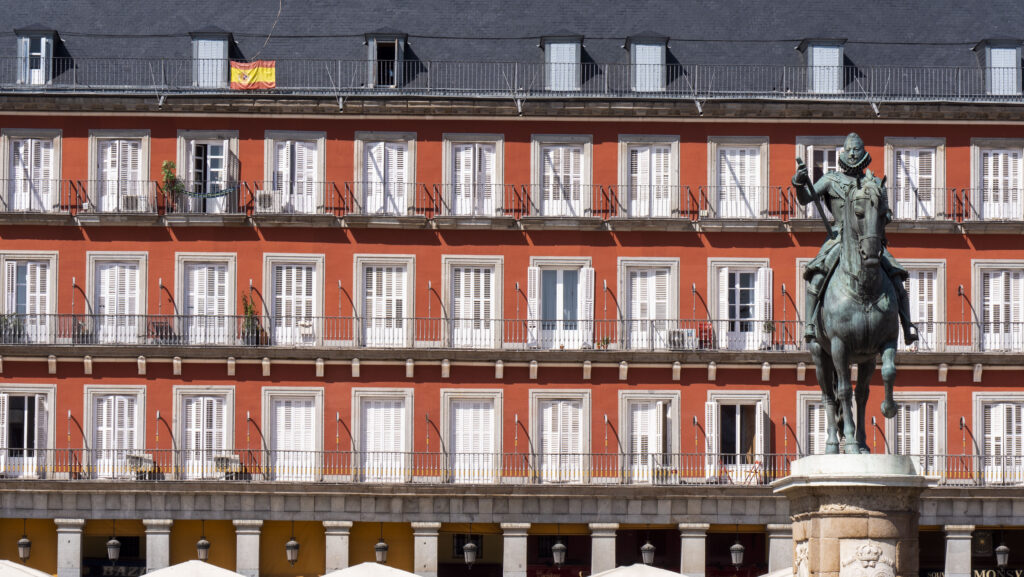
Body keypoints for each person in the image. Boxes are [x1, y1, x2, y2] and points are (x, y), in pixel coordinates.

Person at [792, 132, 919, 344]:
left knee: (896, 278)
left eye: (856, 149)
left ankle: (907, 325)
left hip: (869, 238)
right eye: (849, 149)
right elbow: (805, 199)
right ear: (843, 152)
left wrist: (880, 217)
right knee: (817, 277)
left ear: (864, 152)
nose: (852, 153)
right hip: (838, 237)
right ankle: (811, 325)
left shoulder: (876, 184)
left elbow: (886, 213)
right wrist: (798, 182)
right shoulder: (831, 180)